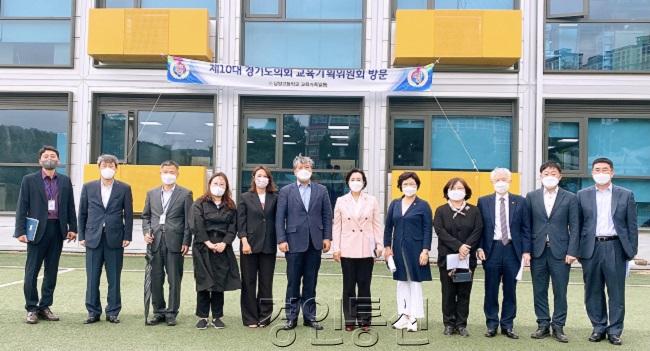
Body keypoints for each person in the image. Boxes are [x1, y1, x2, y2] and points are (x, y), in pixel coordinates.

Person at [577, 157, 638, 346]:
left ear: (612, 172)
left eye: (605, 169)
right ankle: (598, 327)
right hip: (591, 248)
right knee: (593, 290)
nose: (601, 172)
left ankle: (615, 331)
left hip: (615, 247)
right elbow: (577, 225)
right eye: (597, 169)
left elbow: (632, 225)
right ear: (592, 172)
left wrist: (631, 250)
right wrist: (578, 250)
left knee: (616, 292)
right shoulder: (581, 195)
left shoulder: (626, 195)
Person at [14, 145, 77, 324]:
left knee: (52, 271)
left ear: (58, 161)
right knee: (32, 271)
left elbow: (70, 206)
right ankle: (32, 308)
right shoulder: (29, 180)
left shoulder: (64, 181)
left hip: (57, 230)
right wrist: (20, 231)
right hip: (36, 231)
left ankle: (45, 306)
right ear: (40, 160)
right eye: (46, 156)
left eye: (53, 156)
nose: (50, 158)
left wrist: (73, 228)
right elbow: (22, 206)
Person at [276, 155, 333, 330]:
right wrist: (281, 239)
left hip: (315, 242)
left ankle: (310, 317)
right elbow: (280, 217)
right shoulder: (286, 191)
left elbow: (326, 215)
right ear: (294, 171)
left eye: (308, 167)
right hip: (293, 242)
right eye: (301, 167)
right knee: (293, 281)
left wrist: (327, 237)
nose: (305, 170)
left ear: (312, 170)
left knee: (310, 281)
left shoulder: (321, 190)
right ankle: (291, 317)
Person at [525, 161, 579, 343]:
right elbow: (526, 226)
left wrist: (572, 251)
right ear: (540, 176)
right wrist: (526, 251)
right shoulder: (531, 197)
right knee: (539, 290)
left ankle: (558, 326)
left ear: (560, 176)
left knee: (560, 291)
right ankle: (542, 324)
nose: (550, 176)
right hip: (537, 251)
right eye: (546, 173)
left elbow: (575, 227)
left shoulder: (570, 197)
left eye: (554, 173)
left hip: (561, 252)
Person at [78, 154, 134, 324]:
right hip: (93, 237)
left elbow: (129, 215)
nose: (108, 168)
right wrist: (82, 235)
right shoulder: (88, 187)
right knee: (92, 277)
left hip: (115, 238)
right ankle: (93, 311)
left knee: (114, 277)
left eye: (111, 165)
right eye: (104, 165)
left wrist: (127, 235)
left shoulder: (124, 188)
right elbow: (82, 213)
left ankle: (113, 311)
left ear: (116, 168)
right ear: (99, 167)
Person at [477, 167, 531, 339]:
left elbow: (526, 228)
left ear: (510, 181)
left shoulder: (520, 201)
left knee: (510, 289)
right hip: (491, 249)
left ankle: (508, 325)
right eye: (497, 180)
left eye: (504, 179)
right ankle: (491, 324)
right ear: (492, 182)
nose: (501, 182)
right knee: (491, 289)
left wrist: (526, 251)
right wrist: (479, 247)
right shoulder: (483, 201)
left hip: (512, 250)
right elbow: (479, 228)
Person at [142, 160, 193, 326]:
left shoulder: (185, 194)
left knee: (174, 279)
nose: (168, 175)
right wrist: (146, 231)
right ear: (160, 173)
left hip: (175, 242)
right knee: (156, 278)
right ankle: (158, 311)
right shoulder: (152, 193)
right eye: (165, 172)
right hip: (155, 241)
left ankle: (171, 312)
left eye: (172, 172)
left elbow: (188, 220)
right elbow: (146, 216)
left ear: (177, 174)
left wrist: (186, 240)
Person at [332, 169, 383, 332]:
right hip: (347, 248)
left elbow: (377, 224)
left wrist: (379, 244)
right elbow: (337, 226)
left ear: (364, 182)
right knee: (348, 286)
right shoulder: (341, 201)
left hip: (366, 248)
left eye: (359, 179)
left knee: (364, 285)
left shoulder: (372, 200)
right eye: (353, 179)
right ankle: (349, 319)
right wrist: (336, 248)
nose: (356, 181)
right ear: (348, 182)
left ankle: (364, 319)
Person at [383, 171, 433, 332]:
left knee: (415, 283)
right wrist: (387, 247)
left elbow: (427, 229)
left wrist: (425, 250)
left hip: (416, 249)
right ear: (400, 186)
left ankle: (413, 318)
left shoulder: (423, 205)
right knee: (402, 282)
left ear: (417, 185)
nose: (409, 187)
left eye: (412, 184)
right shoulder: (395, 204)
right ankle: (403, 315)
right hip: (398, 249)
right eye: (405, 184)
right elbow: (388, 227)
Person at [191, 172, 241, 330]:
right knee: (203, 281)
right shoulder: (199, 203)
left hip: (222, 248)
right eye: (215, 183)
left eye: (222, 184)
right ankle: (203, 317)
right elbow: (196, 224)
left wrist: (224, 243)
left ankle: (217, 316)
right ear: (209, 185)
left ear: (226, 187)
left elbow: (233, 228)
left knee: (220, 281)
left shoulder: (231, 205)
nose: (218, 187)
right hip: (202, 246)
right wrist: (207, 242)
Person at [433, 177, 483, 337]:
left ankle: (461, 324)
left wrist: (466, 247)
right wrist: (458, 246)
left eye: (460, 188)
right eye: (453, 188)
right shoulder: (441, 210)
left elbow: (478, 230)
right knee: (448, 292)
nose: (457, 191)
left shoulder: (474, 210)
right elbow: (440, 231)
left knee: (463, 292)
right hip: (447, 258)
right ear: (447, 191)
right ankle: (449, 323)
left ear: (466, 191)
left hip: (466, 259)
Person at [237, 166, 278, 328]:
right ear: (253, 178)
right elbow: (241, 222)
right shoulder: (245, 197)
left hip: (268, 245)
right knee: (248, 281)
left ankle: (264, 316)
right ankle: (250, 317)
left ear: (269, 179)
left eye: (265, 176)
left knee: (266, 282)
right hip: (249, 245)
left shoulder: (275, 197)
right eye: (259, 175)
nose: (262, 178)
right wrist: (244, 241)